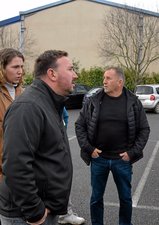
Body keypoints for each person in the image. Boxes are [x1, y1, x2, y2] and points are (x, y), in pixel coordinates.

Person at [0, 50, 77, 225]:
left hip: (45, 208)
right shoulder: (29, 106)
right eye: (71, 69)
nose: (75, 75)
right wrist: (34, 211)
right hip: (26, 216)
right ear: (52, 74)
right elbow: (15, 164)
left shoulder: (49, 102)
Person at [75, 67, 150, 225]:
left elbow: (144, 129)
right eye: (104, 77)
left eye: (108, 78)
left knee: (125, 198)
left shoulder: (133, 102)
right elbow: (79, 125)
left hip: (122, 161)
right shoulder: (93, 101)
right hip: (99, 159)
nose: (104, 81)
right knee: (96, 198)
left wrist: (132, 153)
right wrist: (89, 148)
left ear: (120, 82)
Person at [58, 107, 86, 225]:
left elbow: (65, 116)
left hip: (56, 144)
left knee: (62, 177)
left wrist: (61, 133)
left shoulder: (56, 99)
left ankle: (65, 213)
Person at [0, 48, 24, 182]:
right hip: (3, 170)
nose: (20, 71)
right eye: (15, 67)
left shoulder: (24, 92)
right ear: (2, 68)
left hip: (22, 168)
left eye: (21, 66)